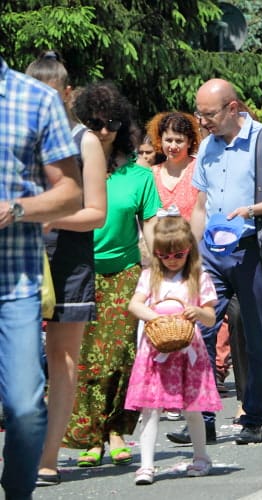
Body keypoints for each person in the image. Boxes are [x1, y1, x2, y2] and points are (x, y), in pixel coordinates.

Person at [186, 78, 262, 445]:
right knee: (199, 330)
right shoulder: (206, 146)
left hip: (252, 249)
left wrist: (252, 209)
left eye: (209, 114)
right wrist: (191, 253)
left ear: (233, 108)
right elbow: (201, 205)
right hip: (212, 253)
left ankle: (253, 416)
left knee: (256, 335)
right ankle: (202, 417)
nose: (203, 122)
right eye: (199, 114)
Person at [64, 82, 161, 467]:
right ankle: (88, 436)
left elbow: (152, 225)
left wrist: (157, 272)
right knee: (83, 357)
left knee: (121, 356)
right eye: (97, 123)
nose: (105, 130)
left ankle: (116, 429)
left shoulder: (138, 176)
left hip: (124, 272)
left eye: (113, 123)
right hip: (75, 271)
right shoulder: (69, 169)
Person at [0, 55, 81, 500]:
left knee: (25, 407)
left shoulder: (34, 99)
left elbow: (70, 192)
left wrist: (16, 209)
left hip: (13, 281)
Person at [26, 51, 108, 488]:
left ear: (67, 94)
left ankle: (48, 456)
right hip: (17, 258)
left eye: (50, 96)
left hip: (68, 259)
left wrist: (48, 217)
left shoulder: (84, 140)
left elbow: (96, 213)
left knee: (62, 359)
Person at [125, 213, 221, 484]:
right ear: (156, 254)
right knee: (150, 409)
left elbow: (211, 316)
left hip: (189, 350)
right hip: (155, 350)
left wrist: (197, 312)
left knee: (192, 407)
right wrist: (155, 317)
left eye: (178, 254)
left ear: (189, 249)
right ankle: (146, 465)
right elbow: (135, 305)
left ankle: (201, 456)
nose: (171, 260)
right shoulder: (149, 276)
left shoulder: (198, 277)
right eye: (165, 255)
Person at [146, 112, 202, 219]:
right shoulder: (152, 173)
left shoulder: (199, 169)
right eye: (168, 140)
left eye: (179, 141)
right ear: (160, 140)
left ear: (189, 142)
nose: (173, 146)